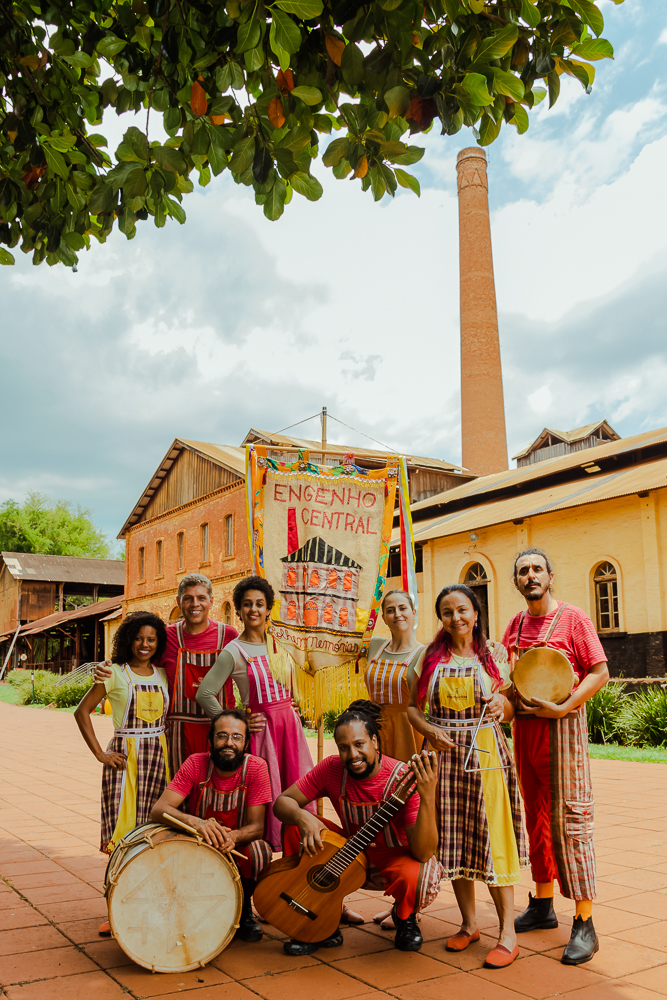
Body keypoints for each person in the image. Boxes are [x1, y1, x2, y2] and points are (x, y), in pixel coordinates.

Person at [407, 585, 527, 970]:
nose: (455, 617)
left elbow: (510, 708)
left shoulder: (494, 654)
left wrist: (502, 704)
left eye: (462, 609)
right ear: (440, 617)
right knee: (455, 839)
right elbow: (412, 709)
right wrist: (427, 729)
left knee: (492, 838)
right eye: (447, 611)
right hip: (444, 755)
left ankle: (507, 931)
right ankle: (469, 923)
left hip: (486, 753)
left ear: (476, 612)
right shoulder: (427, 657)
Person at [503, 549, 609, 966]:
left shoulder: (574, 618)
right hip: (526, 731)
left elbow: (600, 672)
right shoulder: (515, 624)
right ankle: (543, 903)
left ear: (550, 575)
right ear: (516, 582)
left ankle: (584, 921)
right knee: (536, 817)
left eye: (536, 569)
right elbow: (514, 684)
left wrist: (565, 707)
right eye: (522, 571)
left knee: (571, 819)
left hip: (562, 730)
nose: (530, 575)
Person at [273, 700, 442, 956]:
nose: (352, 755)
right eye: (344, 747)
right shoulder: (331, 768)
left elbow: (423, 852)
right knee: (294, 829)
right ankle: (322, 912)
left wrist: (428, 796)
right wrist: (301, 816)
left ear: (375, 741)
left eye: (359, 744)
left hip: (391, 861)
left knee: (420, 875)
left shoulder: (401, 777)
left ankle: (405, 917)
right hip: (349, 855)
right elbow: (281, 804)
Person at [196, 575, 314, 850]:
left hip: (291, 730)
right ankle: (266, 858)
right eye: (247, 604)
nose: (254, 610)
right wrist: (236, 721)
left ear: (269, 608)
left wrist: (295, 703)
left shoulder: (282, 643)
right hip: (264, 733)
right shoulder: (233, 651)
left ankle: (296, 857)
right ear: (238, 610)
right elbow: (204, 693)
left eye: (260, 604)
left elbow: (296, 682)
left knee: (298, 790)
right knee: (270, 793)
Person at [74, 610, 170, 935]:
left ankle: (151, 907)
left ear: (159, 643)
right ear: (129, 639)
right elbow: (81, 711)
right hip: (125, 763)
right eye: (139, 638)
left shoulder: (163, 674)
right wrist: (101, 753)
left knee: (155, 835)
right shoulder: (114, 673)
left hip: (159, 760)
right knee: (123, 833)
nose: (145, 644)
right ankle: (116, 909)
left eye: (151, 639)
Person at [95, 574, 239, 776]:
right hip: (176, 734)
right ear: (178, 602)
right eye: (188, 598)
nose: (194, 604)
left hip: (221, 729)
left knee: (217, 794)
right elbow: (136, 662)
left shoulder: (229, 635)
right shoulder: (166, 638)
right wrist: (107, 665)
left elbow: (251, 676)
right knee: (179, 795)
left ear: (211, 601)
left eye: (201, 598)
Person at [150, 709, 273, 943]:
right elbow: (159, 809)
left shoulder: (256, 768)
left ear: (246, 743)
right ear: (211, 740)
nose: (229, 743)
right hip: (197, 843)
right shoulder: (196, 763)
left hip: (233, 847)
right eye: (222, 736)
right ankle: (195, 907)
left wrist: (232, 837)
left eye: (237, 737)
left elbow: (257, 828)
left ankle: (243, 909)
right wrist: (197, 823)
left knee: (259, 853)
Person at [358, 589, 425, 929]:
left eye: (403, 608)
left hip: (409, 735)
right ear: (382, 615)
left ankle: (408, 906)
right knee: (381, 816)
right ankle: (398, 896)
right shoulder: (374, 647)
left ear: (414, 611)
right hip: (375, 736)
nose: (397, 613)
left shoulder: (425, 653)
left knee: (407, 818)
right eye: (390, 609)